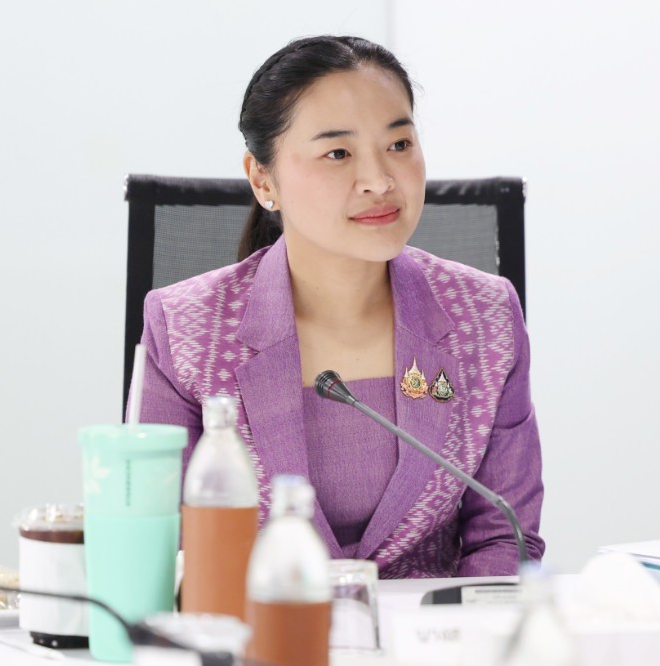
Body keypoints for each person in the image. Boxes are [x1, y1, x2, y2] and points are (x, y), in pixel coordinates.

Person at [137, 35, 544, 578]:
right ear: (262, 179)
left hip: (433, 626)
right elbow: (165, 545)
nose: (379, 180)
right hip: (258, 623)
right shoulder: (186, 330)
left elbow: (504, 536)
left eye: (399, 144)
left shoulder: (485, 316)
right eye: (338, 153)